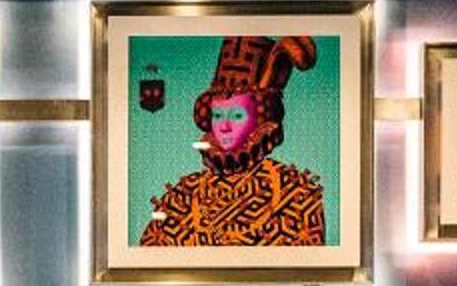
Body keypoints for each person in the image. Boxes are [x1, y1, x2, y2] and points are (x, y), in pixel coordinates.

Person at [138, 34, 328, 247]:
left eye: (237, 115)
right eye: (218, 115)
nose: (224, 126)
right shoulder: (182, 195)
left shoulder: (295, 192)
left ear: (259, 119)